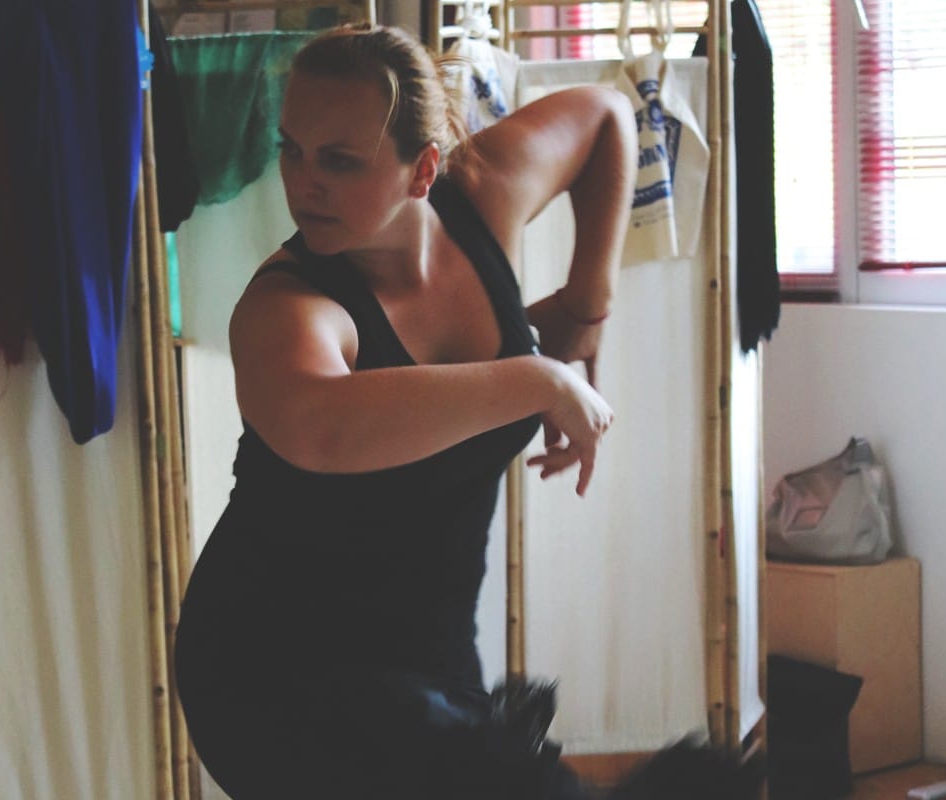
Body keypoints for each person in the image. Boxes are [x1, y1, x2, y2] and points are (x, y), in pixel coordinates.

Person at [175, 23, 753, 800]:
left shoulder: (485, 194)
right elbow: (321, 427)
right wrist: (537, 377)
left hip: (426, 650)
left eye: (339, 160)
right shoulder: (288, 307)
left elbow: (608, 118)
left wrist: (588, 304)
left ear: (423, 170)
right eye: (292, 150)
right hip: (276, 663)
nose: (303, 183)